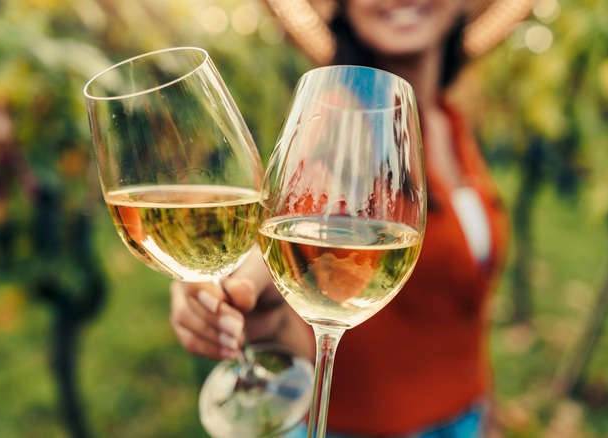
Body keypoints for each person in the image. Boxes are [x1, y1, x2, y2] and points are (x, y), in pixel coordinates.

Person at [170, 0, 532, 435]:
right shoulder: (334, 124)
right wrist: (261, 308)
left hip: (464, 418)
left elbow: (464, 309)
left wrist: (485, 409)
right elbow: (305, 287)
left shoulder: (446, 122)